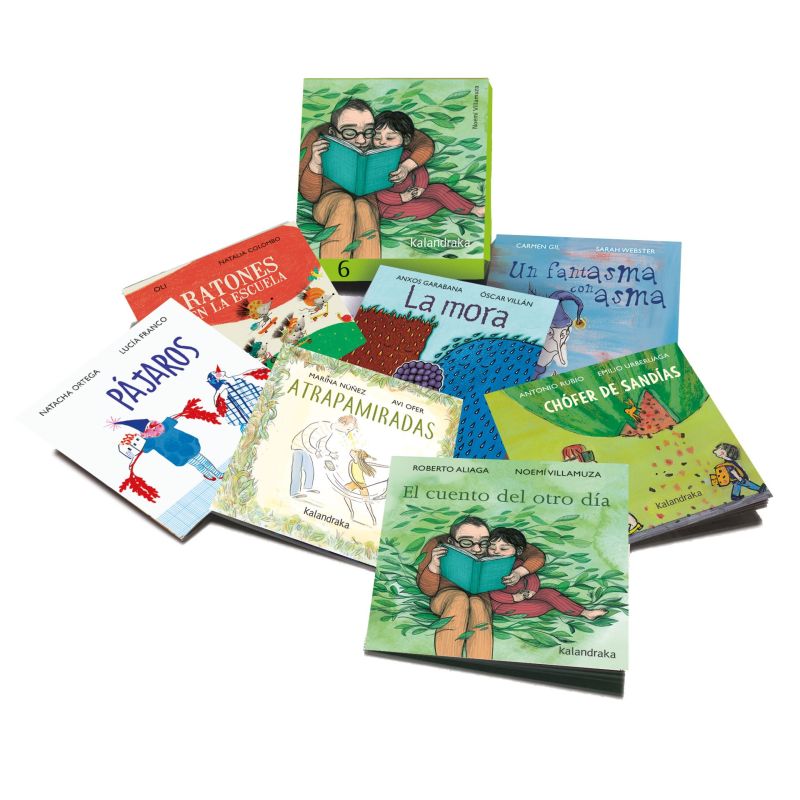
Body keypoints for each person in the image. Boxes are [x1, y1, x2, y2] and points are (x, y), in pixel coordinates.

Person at [298, 99, 435, 259]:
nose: (362, 141)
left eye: (369, 132)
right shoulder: (317, 136)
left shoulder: (379, 130)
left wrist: (406, 166)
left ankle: (368, 270)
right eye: (350, 133)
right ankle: (333, 268)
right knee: (344, 203)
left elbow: (424, 143)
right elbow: (310, 195)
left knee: (363, 208)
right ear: (332, 131)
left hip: (367, 200)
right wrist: (315, 164)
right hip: (328, 202)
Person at [416, 516, 546, 660]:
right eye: (466, 542)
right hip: (445, 596)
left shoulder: (495, 541)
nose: (477, 549)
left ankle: (480, 663)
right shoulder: (437, 544)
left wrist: (519, 572)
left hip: (480, 595)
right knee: (459, 599)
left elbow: (537, 555)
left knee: (477, 605)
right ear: (452, 542)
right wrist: (434, 566)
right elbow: (428, 590)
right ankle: (447, 662)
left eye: (484, 543)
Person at [370, 110, 485, 221]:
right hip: (390, 204)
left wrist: (420, 188)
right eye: (377, 138)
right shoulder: (375, 162)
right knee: (424, 207)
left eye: (390, 138)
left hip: (412, 193)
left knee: (439, 189)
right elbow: (379, 193)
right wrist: (402, 197)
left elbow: (420, 172)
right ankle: (447, 203)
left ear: (406, 139)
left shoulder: (407, 154)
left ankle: (475, 210)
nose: (382, 142)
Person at [485, 528, 606, 620]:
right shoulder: (489, 568)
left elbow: (532, 578)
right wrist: (513, 598)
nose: (496, 552)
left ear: (519, 550)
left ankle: (586, 613)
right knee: (540, 607)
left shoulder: (519, 563)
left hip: (524, 595)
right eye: (492, 548)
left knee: (550, 593)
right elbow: (493, 592)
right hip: (502, 603)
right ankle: (558, 605)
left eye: (503, 549)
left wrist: (531, 591)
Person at [289, 416, 357, 498]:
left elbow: (322, 445)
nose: (347, 432)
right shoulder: (324, 427)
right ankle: (294, 492)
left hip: (306, 449)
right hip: (299, 446)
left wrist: (329, 453)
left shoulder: (330, 430)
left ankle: (307, 488)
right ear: (342, 423)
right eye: (348, 429)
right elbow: (307, 439)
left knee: (309, 469)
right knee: (297, 469)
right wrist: (315, 451)